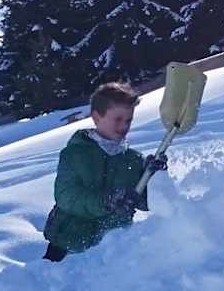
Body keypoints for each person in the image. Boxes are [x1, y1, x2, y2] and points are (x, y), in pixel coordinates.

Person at [43, 82, 167, 261]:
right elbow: (66, 196)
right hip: (67, 245)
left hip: (111, 249)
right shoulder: (75, 153)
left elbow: (144, 201)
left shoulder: (132, 159)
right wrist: (106, 202)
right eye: (117, 119)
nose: (124, 126)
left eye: (128, 120)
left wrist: (154, 177)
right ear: (96, 117)